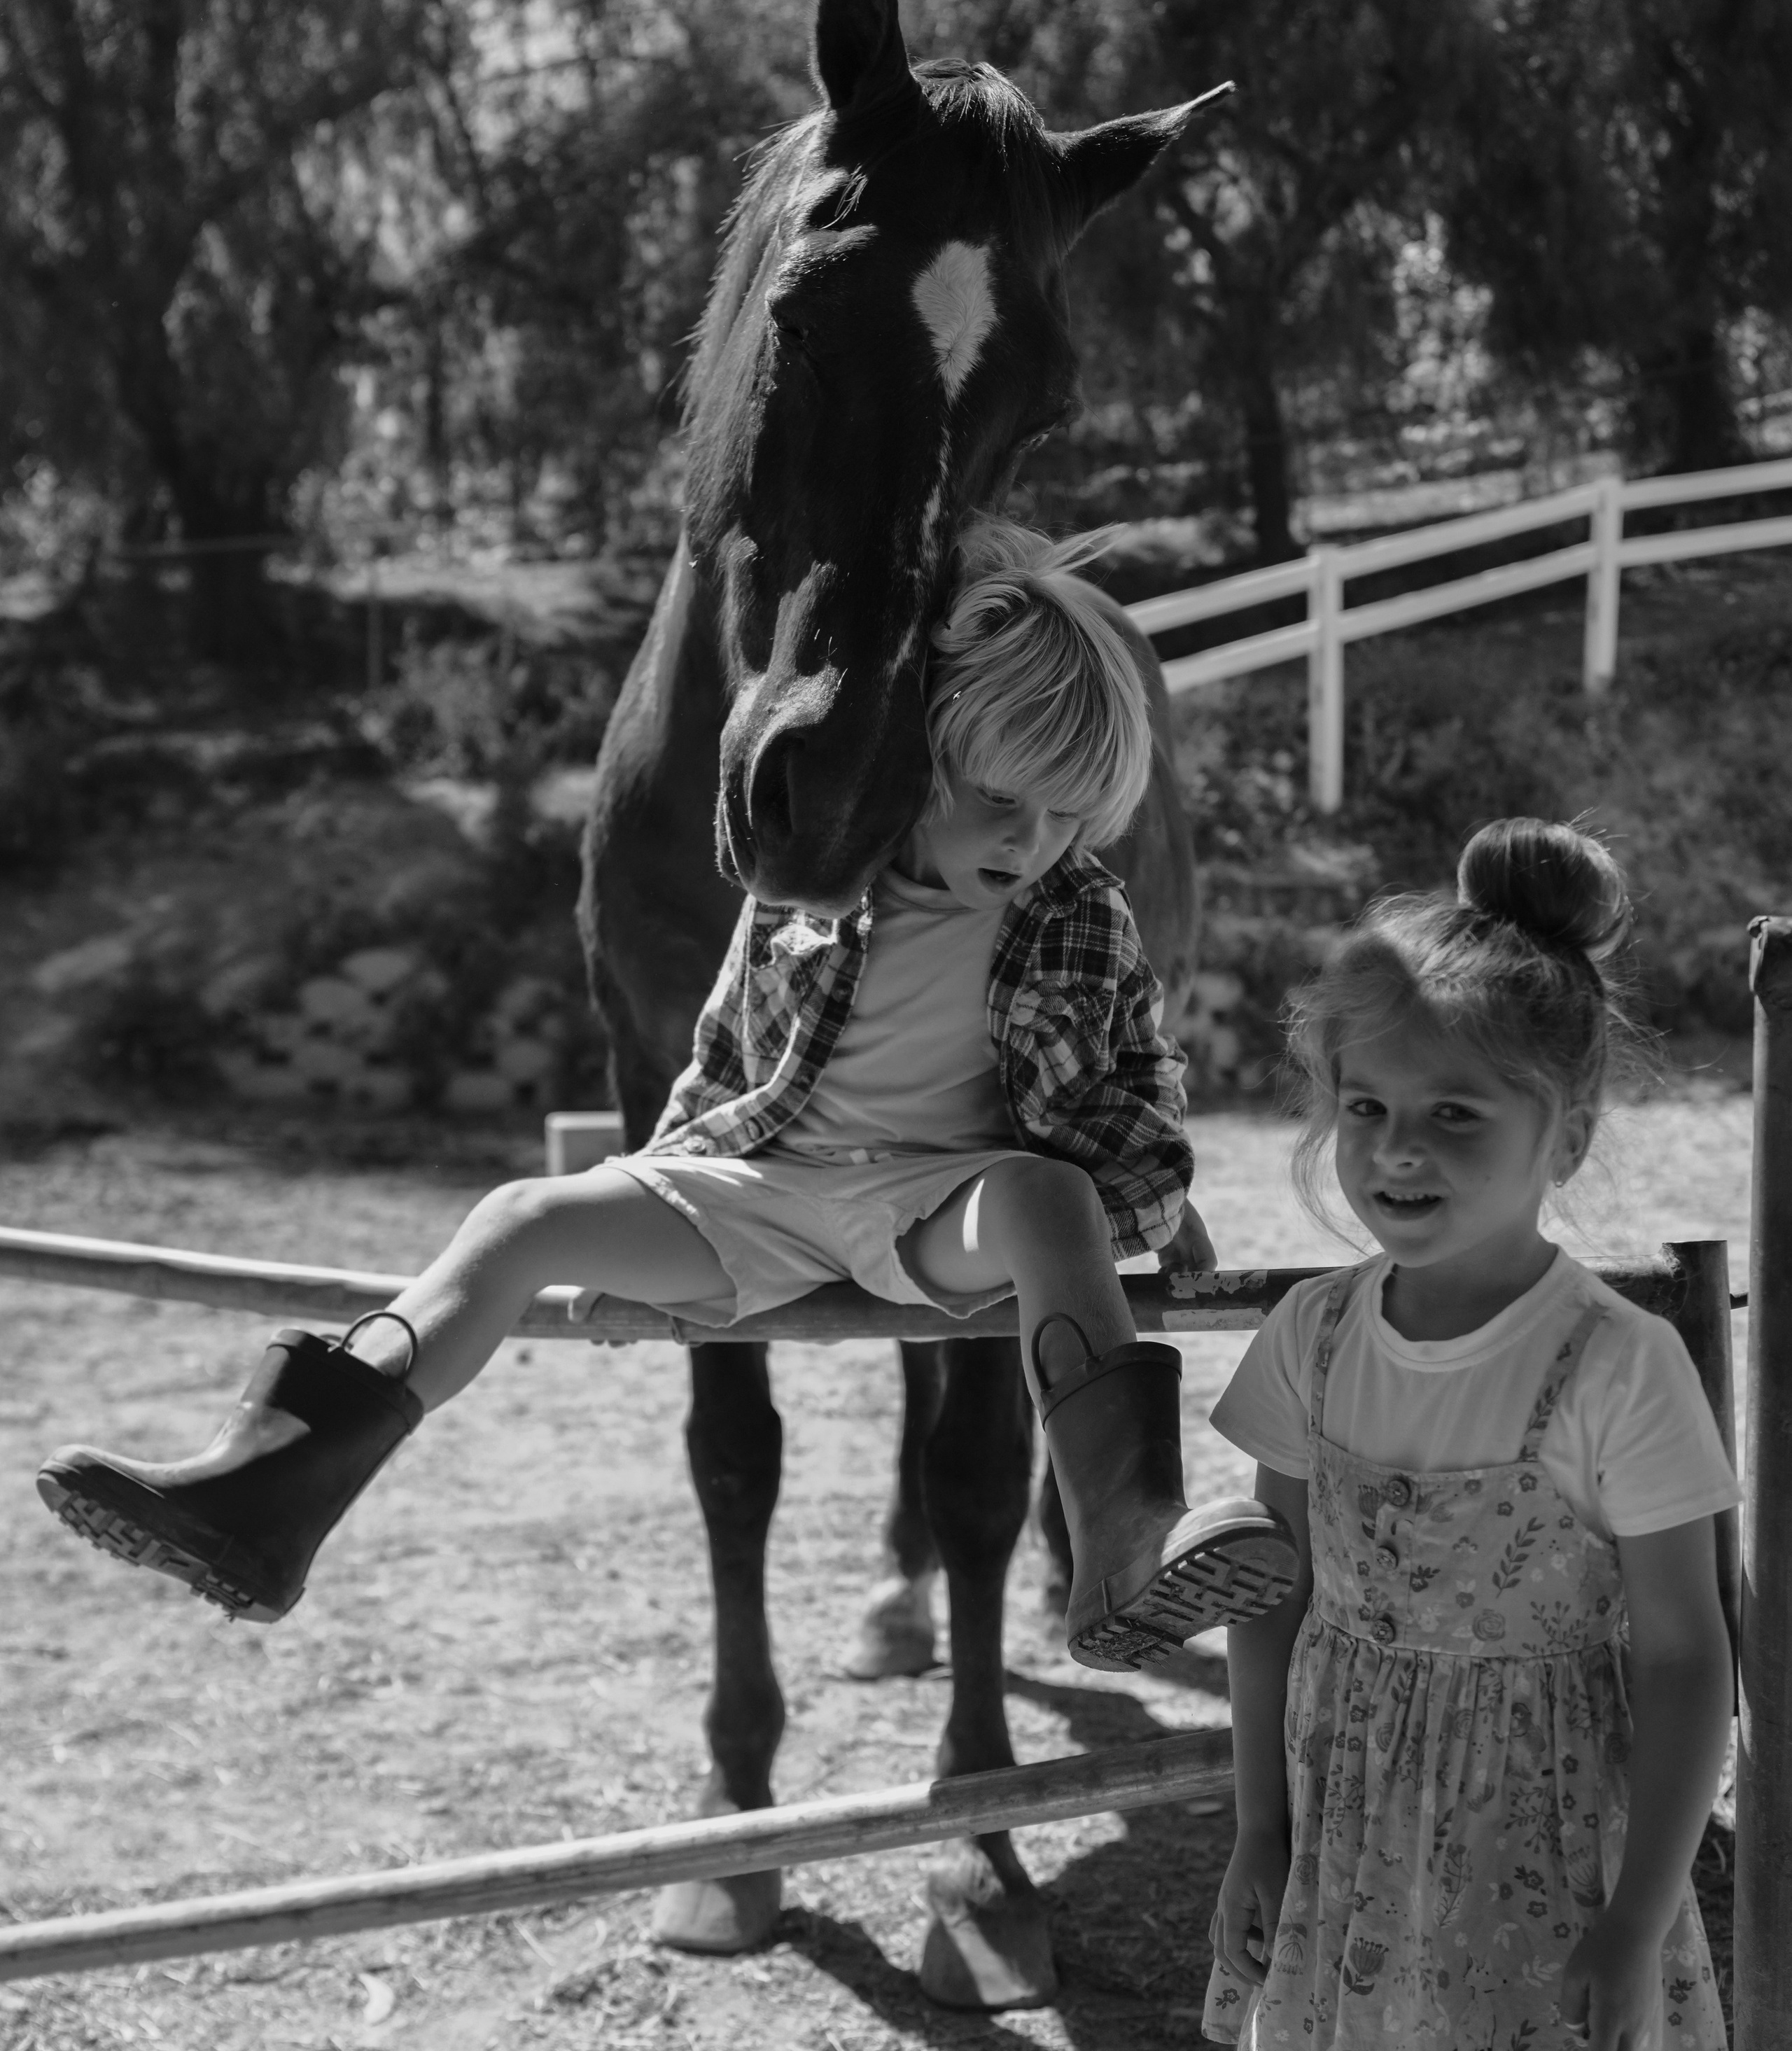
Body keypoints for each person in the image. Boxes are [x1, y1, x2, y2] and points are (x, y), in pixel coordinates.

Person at [38, 519, 1297, 1669]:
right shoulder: (814, 879)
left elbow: (1137, 1071)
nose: (1026, 842)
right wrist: (643, 1196)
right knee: (522, 1215)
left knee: (1047, 1199)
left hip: (935, 1200)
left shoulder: (1081, 912)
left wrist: (1157, 1195)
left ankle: (1126, 1537)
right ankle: (266, 1491)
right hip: (765, 1176)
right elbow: (724, 1052)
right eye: (999, 801)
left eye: (1067, 817)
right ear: (926, 754)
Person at [1201, 816, 1740, 2051]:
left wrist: (1634, 1924)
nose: (1396, 1152)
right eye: (1365, 1108)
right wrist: (1257, 1826)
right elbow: (1269, 1595)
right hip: (1352, 1852)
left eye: (1456, 1116)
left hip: (1544, 1866)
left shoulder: (1612, 1367)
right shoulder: (1311, 1340)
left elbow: (1690, 1660)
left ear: (1562, 1135)